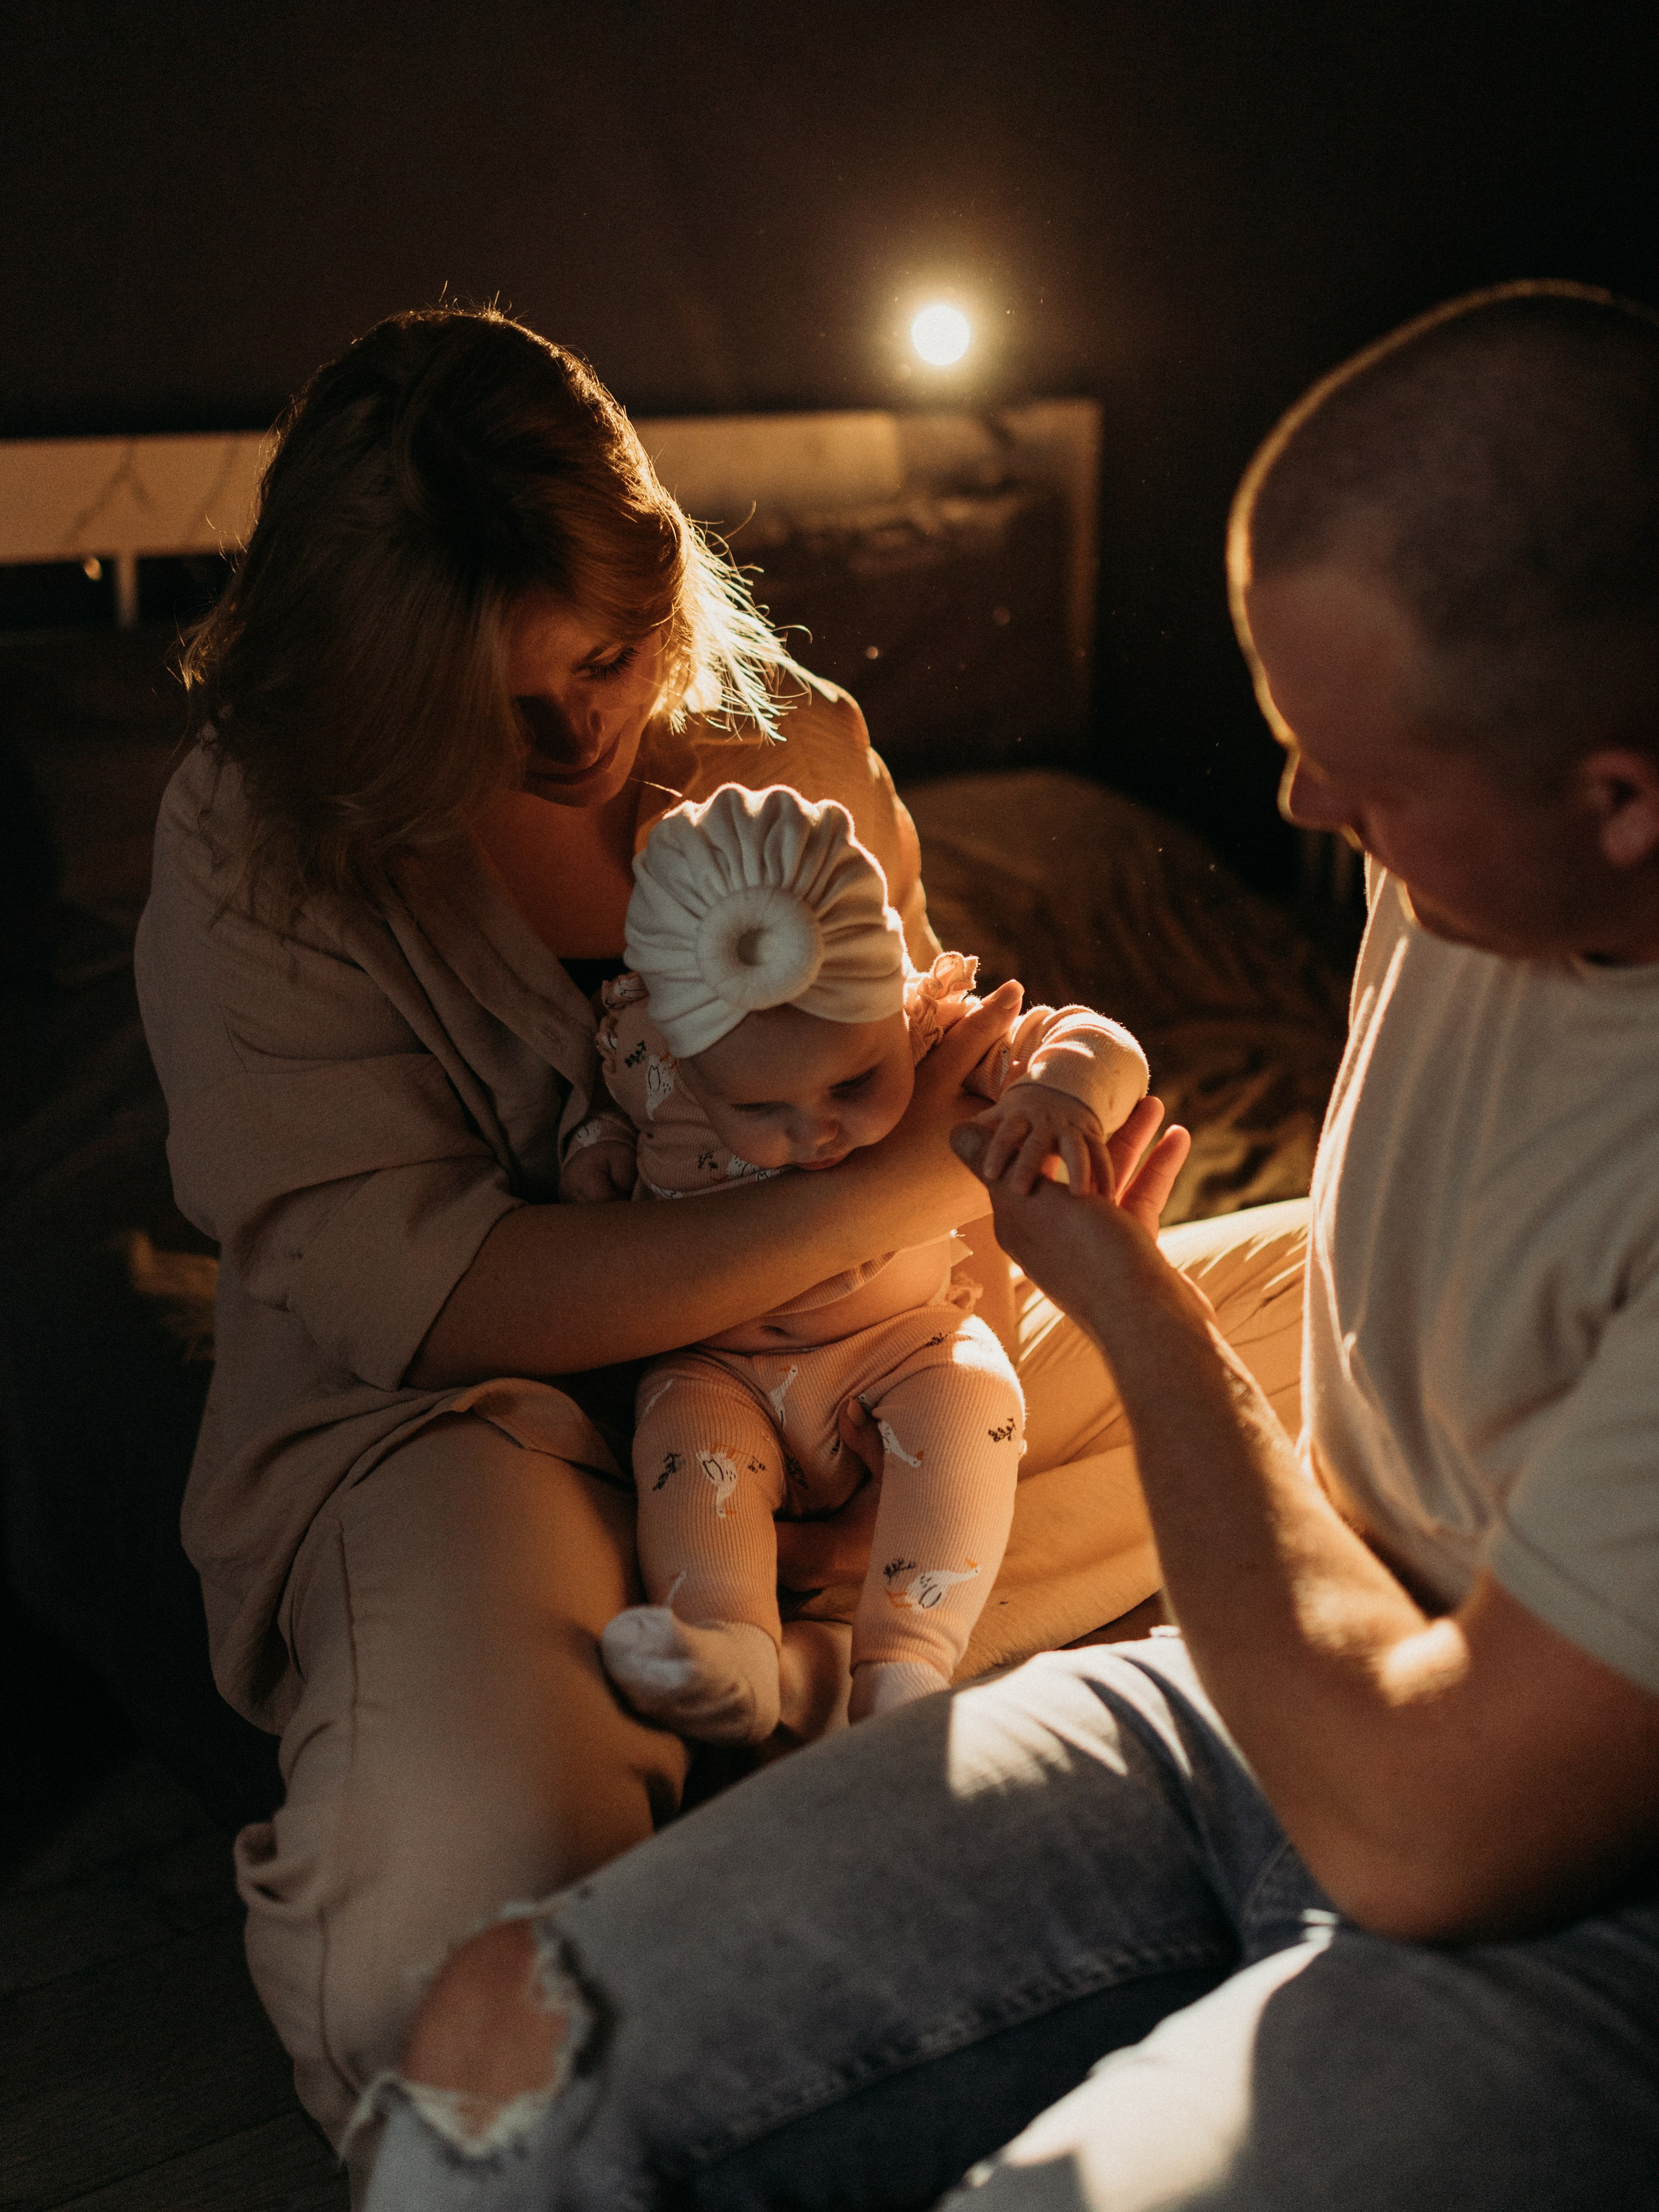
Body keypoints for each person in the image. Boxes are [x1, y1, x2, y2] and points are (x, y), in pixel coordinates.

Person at [362, 279, 1659, 2212]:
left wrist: (1126, 1292)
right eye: (1293, 739)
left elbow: (1426, 1822)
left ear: (1619, 795)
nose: (1304, 807)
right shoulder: (1475, 857)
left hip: (1531, 1856)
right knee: (506, 2054)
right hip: (1297, 1677)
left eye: (1363, 785)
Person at [132, 304, 1307, 2180]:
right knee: (449, 1968)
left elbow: (934, 1059)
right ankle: (812, 1659)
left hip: (872, 1356)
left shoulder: (790, 744)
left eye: (606, 658)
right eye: (496, 706)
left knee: (1371, 1294)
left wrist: (1019, 1205)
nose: (578, 730)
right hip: (477, 1424)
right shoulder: (258, 841)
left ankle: (793, 1649)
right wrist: (890, 1186)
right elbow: (437, 1296)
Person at [577, 782, 1148, 1741]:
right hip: (718, 1366)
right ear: (682, 1054)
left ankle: (908, 1662)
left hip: (900, 1342)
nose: (817, 1134)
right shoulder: (645, 1049)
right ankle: (729, 1652)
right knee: (687, 1459)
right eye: (760, 1112)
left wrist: (1064, 1089)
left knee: (976, 1394)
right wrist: (589, 1152)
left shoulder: (932, 1029)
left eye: (854, 1080)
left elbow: (1102, 1039)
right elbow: (601, 1109)